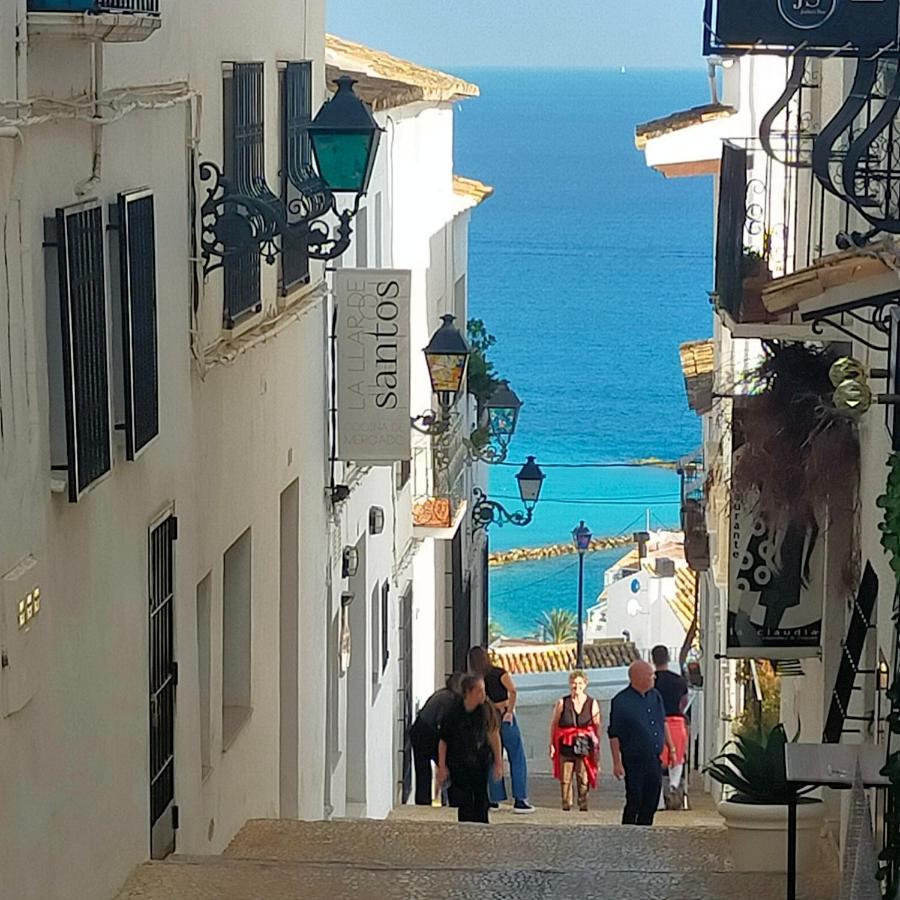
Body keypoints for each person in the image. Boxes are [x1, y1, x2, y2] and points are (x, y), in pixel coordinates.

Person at [467, 646, 535, 813]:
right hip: (505, 717)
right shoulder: (499, 673)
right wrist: (509, 710)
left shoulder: (476, 679)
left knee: (493, 757)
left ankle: (495, 798)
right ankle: (520, 799)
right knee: (517, 757)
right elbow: (512, 690)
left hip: (489, 720)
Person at [608, 659, 676, 826]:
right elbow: (614, 734)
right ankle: (628, 830)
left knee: (652, 798)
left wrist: (671, 747)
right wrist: (617, 763)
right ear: (639, 677)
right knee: (635, 798)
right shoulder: (621, 701)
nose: (654, 678)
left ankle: (646, 828)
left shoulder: (656, 696)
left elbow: (663, 722)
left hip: (654, 757)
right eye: (651, 675)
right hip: (633, 759)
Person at [436, 674, 503, 823]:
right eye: (479, 691)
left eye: (483, 690)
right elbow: (443, 740)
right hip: (458, 762)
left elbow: (493, 735)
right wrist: (442, 766)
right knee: (462, 800)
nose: (483, 695)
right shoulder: (453, 711)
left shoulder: (486, 710)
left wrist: (498, 762)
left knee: (481, 798)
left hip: (480, 761)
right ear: (468, 692)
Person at [549, 669, 601, 811]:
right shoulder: (562, 702)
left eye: (579, 683)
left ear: (585, 685)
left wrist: (597, 748)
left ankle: (583, 804)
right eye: (573, 683)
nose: (576, 686)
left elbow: (597, 726)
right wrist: (552, 744)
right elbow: (554, 724)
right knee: (565, 779)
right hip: (565, 744)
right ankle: (566, 805)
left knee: (582, 777)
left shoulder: (592, 703)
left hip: (584, 744)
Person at [409, 673, 463, 805]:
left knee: (423, 771)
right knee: (448, 764)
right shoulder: (449, 699)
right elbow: (442, 725)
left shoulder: (443, 694)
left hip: (418, 731)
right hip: (427, 733)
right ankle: (451, 800)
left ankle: (423, 802)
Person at [652, 645, 689, 810]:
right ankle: (674, 784)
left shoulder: (651, 681)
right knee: (678, 757)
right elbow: (684, 702)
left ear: (653, 660)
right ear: (668, 658)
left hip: (657, 722)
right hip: (676, 722)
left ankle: (659, 801)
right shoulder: (679, 681)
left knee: (657, 761)